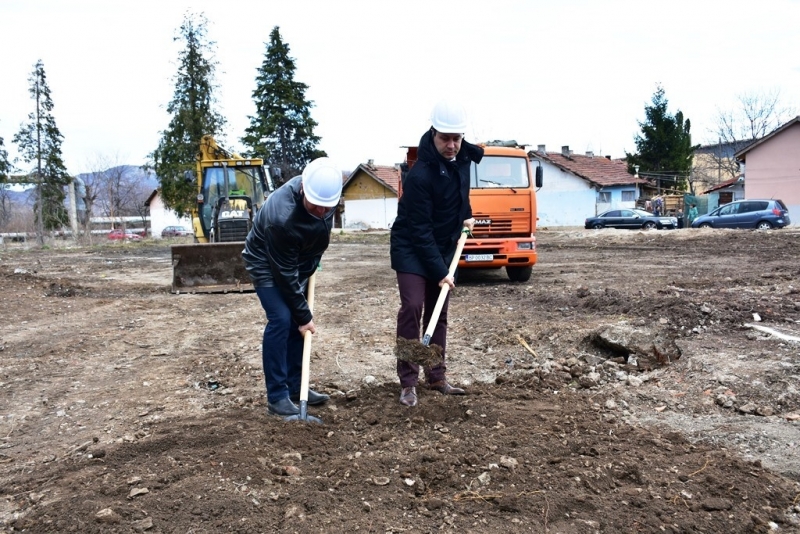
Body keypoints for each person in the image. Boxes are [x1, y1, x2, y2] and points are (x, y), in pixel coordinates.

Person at [390, 100, 484, 407]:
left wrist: (466, 215)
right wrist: (441, 271)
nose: (452, 145)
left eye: (457, 138)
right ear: (433, 133)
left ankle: (436, 375)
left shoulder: (464, 159)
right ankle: (408, 382)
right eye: (446, 138)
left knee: (437, 312)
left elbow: (460, 196)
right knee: (413, 307)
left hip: (442, 245)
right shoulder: (420, 176)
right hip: (412, 246)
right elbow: (419, 231)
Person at [242, 157, 342, 416]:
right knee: (283, 319)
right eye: (316, 206)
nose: (322, 212)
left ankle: (299, 386)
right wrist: (304, 315)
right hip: (265, 261)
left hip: (297, 259)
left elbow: (318, 237)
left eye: (326, 208)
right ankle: (277, 397)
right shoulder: (281, 217)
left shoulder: (324, 197)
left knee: (298, 324)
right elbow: (284, 274)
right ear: (302, 191)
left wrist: (311, 264)